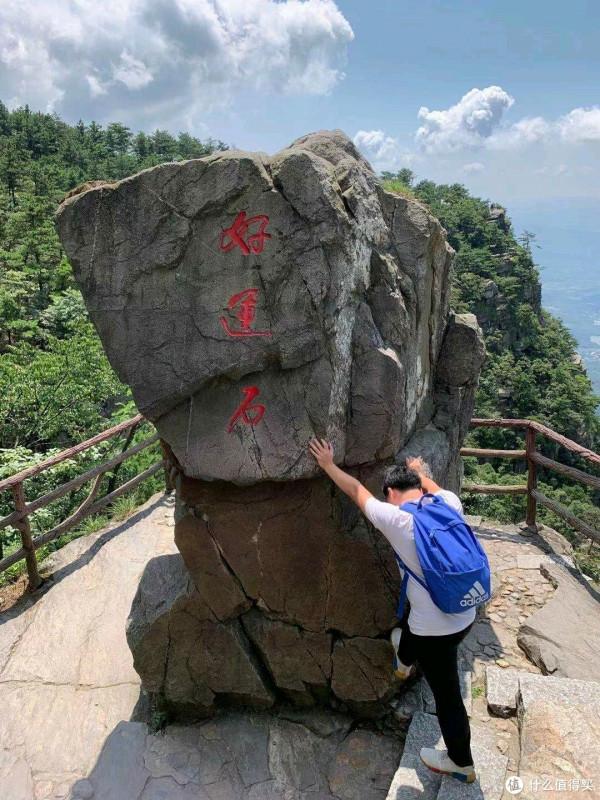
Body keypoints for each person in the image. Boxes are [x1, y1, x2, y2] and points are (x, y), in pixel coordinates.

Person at [308, 438, 476, 784]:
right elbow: (431, 486)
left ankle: (460, 761)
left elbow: (355, 489)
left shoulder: (396, 519)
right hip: (465, 612)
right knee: (410, 633)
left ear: (390, 492)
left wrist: (327, 464)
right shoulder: (448, 503)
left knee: (447, 696)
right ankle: (403, 661)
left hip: (434, 627)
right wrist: (418, 473)